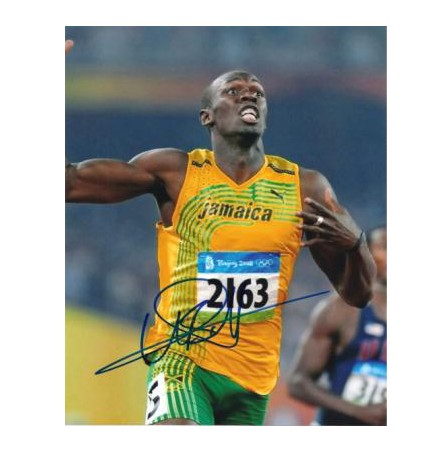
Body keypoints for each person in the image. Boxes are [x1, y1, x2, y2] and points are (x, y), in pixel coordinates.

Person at [65, 39, 376, 425]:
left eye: (257, 92)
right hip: (181, 359)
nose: (249, 94)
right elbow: (69, 183)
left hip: (253, 377)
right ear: (207, 116)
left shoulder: (304, 187)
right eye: (233, 90)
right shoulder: (176, 172)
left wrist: (356, 244)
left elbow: (358, 294)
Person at [287, 225, 387, 425]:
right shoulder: (342, 308)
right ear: (367, 255)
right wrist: (359, 411)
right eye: (386, 246)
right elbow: (298, 382)